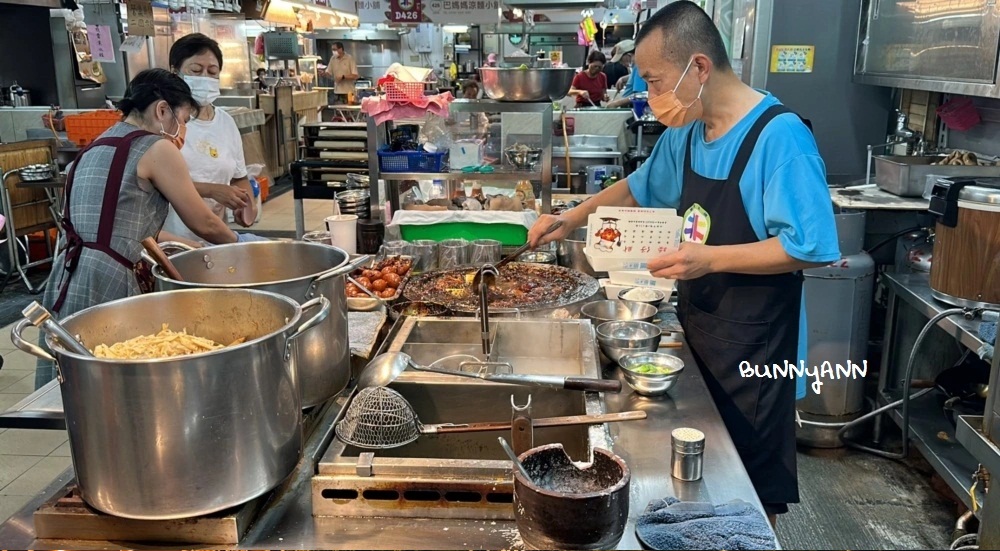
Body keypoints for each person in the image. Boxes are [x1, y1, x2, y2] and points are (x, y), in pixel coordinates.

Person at [527, 1, 840, 526]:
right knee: (703, 477)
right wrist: (571, 216)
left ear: (697, 67)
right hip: (702, 330)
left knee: (748, 492)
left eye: (653, 81)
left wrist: (710, 258)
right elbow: (640, 185)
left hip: (756, 345)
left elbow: (811, 246)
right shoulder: (690, 133)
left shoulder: (778, 136)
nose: (650, 98)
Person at [37, 69, 266, 388]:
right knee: (116, 382)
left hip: (67, 272)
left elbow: (127, 226)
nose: (182, 129)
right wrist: (244, 246)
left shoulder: (97, 146)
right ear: (162, 110)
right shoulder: (156, 148)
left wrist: (188, 249)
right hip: (111, 280)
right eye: (183, 118)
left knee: (76, 382)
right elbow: (204, 222)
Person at [161, 33, 257, 246]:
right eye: (195, 70)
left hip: (215, 237)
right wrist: (213, 190)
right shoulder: (164, 122)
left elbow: (239, 177)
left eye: (212, 72)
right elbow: (159, 182)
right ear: (175, 72)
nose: (204, 77)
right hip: (172, 241)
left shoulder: (226, 123)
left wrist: (245, 204)